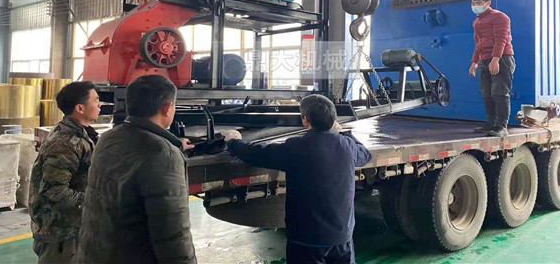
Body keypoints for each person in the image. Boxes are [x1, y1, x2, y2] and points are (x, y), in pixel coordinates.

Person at [222, 94, 372, 264]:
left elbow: (257, 154)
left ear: (305, 120)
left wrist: (234, 142)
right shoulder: (347, 146)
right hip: (342, 238)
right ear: (333, 120)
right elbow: (366, 154)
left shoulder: (296, 147)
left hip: (306, 240)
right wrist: (344, 133)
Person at [78, 75, 197, 264]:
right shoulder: (162, 154)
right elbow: (173, 234)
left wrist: (173, 143)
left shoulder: (108, 138)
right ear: (168, 108)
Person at [29, 81, 101, 264]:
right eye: (96, 100)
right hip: (61, 232)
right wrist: (96, 202)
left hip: (75, 225)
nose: (100, 104)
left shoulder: (82, 134)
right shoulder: (65, 142)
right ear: (80, 108)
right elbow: (55, 191)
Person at [468, 0, 515, 137]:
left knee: (499, 93)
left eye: (479, 3)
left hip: (502, 59)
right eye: (473, 3)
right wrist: (474, 62)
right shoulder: (477, 21)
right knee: (487, 94)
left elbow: (501, 40)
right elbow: (478, 44)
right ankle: (491, 123)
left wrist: (496, 59)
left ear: (488, 3)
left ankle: (501, 127)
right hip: (484, 59)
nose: (475, 6)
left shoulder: (500, 17)